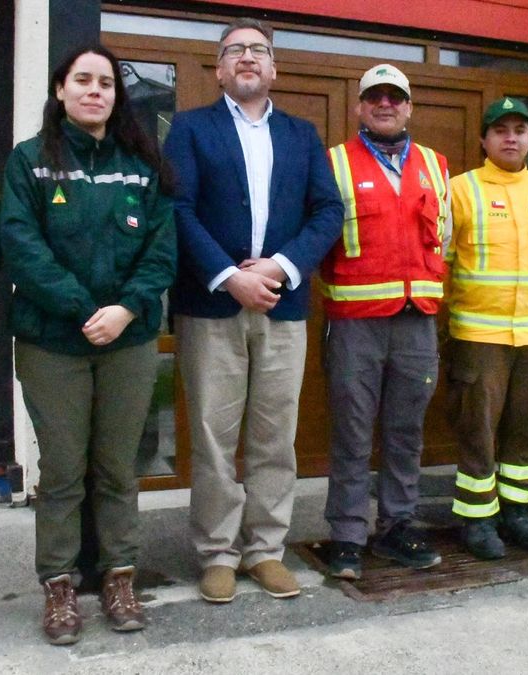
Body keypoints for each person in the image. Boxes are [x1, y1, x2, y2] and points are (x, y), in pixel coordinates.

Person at [163, 18, 342, 603]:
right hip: (210, 305)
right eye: (235, 50)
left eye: (258, 50)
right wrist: (229, 276)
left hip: (283, 307)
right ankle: (218, 552)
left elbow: (327, 212)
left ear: (273, 68)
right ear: (219, 69)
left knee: (275, 436)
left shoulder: (302, 135)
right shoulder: (190, 129)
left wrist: (280, 268)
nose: (247, 57)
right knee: (213, 436)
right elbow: (178, 209)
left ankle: (266, 549)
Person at [0, 46, 176, 642]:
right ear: (61, 90)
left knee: (118, 468)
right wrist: (84, 310)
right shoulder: (30, 162)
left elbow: (162, 251)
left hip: (128, 339)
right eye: (83, 80)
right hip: (53, 341)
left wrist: (125, 310)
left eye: (106, 82)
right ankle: (59, 585)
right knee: (62, 471)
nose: (95, 90)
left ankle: (119, 576)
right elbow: (21, 245)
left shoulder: (141, 165)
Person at [321, 64, 451, 580]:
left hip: (417, 322)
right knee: (352, 434)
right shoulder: (334, 163)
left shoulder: (435, 165)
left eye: (395, 97)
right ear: (359, 106)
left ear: (409, 107)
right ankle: (347, 535)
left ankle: (398, 526)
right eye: (375, 97)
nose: (385, 105)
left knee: (406, 431)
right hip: (356, 323)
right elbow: (318, 238)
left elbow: (445, 240)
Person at [445, 97, 528, 560]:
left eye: (519, 130)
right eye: (501, 131)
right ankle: (477, 518)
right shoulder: (460, 191)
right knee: (478, 430)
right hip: (480, 337)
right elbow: (443, 262)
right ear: (484, 139)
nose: (511, 138)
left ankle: (518, 513)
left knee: (527, 429)